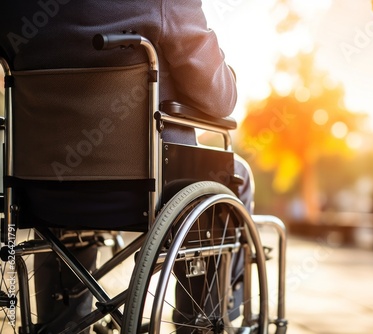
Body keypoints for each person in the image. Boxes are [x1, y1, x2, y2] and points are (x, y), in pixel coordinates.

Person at [0, 1, 253, 332]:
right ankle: (202, 321)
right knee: (238, 175)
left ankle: (63, 323)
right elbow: (219, 100)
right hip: (144, 190)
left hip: (41, 191)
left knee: (65, 202)